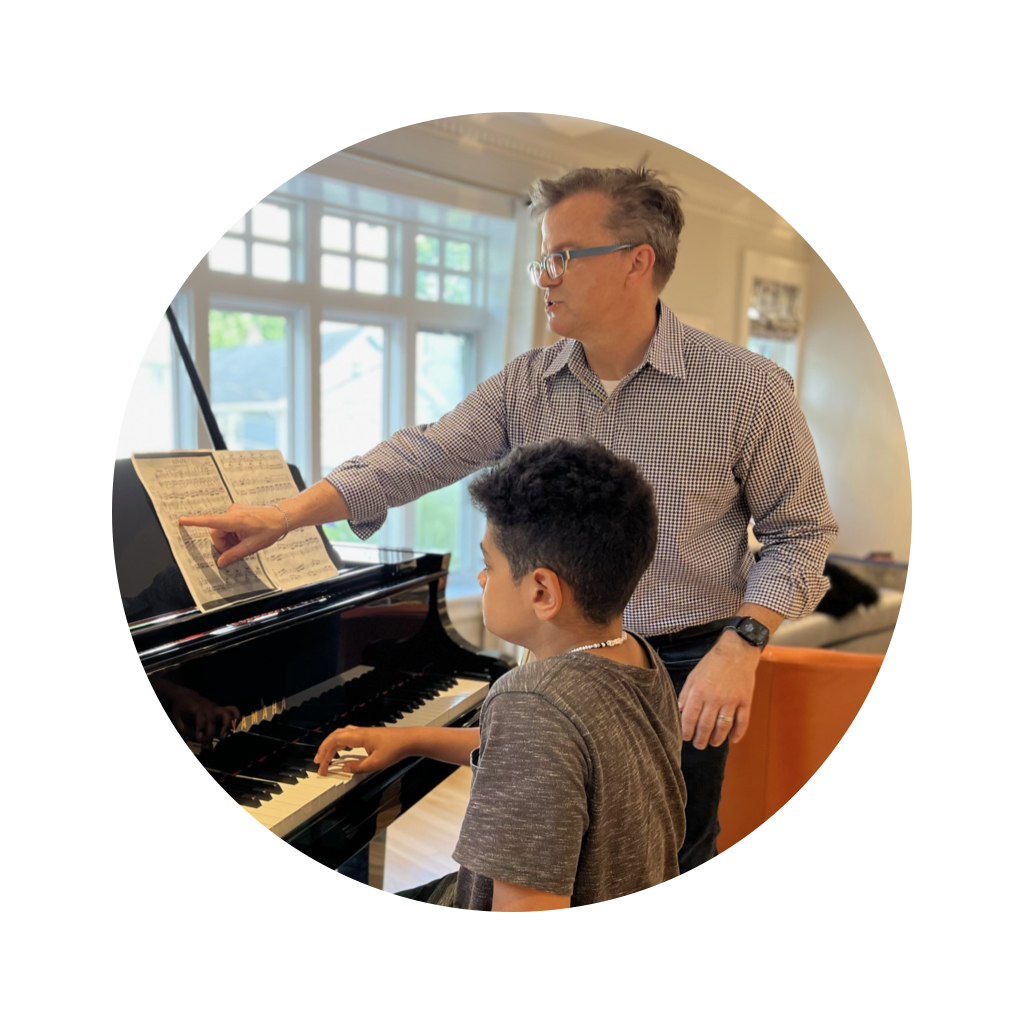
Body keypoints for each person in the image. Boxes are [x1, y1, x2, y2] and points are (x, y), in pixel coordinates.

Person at [180, 166, 838, 872]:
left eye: (563, 256)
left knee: (665, 853)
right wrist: (286, 514)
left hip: (690, 664)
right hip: (557, 654)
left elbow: (802, 534)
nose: (544, 277)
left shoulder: (746, 389)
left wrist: (742, 645)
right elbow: (421, 455)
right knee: (544, 849)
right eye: (542, 258)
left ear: (637, 263)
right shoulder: (528, 383)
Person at [314, 437, 685, 909]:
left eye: (489, 564)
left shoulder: (531, 702)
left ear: (542, 592)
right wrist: (409, 739)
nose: (483, 578)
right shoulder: (635, 656)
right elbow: (551, 753)